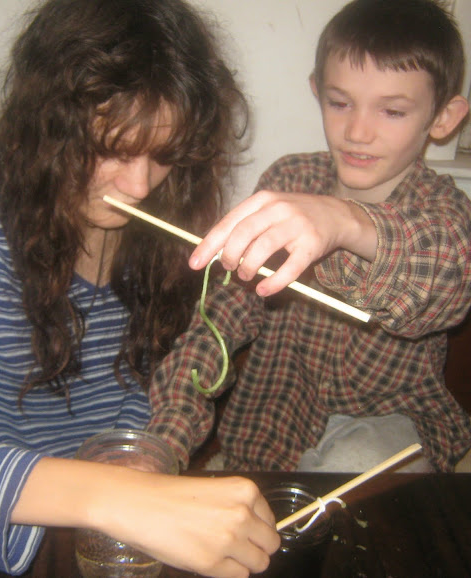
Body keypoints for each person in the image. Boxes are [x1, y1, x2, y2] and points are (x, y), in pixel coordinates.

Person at [0, 0, 282, 575]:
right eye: (113, 149)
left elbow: (156, 385)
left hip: (118, 524)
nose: (140, 185)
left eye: (164, 154)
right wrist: (113, 497)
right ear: (50, 126)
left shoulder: (175, 220)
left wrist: (145, 466)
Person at [146, 0, 471, 474]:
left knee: (357, 463)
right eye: (340, 103)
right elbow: (220, 318)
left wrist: (344, 222)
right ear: (317, 90)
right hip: (266, 438)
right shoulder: (289, 180)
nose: (358, 131)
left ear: (443, 118)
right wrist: (167, 436)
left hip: (391, 430)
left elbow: (449, 278)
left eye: (392, 111)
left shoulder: (444, 209)